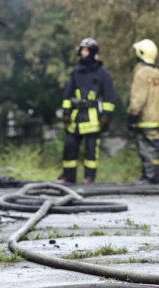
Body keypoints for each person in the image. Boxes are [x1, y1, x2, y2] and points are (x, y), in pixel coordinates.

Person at [57, 38, 116, 184]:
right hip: (76, 116)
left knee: (91, 151)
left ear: (92, 52)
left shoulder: (102, 73)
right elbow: (68, 94)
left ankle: (89, 178)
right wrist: (66, 112)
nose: (82, 53)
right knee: (70, 147)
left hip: (93, 117)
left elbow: (109, 96)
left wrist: (106, 116)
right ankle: (67, 177)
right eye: (81, 50)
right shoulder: (76, 72)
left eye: (85, 50)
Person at [127, 39, 159, 185]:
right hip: (157, 116)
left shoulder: (141, 73)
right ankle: (153, 177)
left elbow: (138, 99)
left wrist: (132, 116)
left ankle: (149, 178)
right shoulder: (157, 73)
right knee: (154, 147)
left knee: (145, 148)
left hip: (145, 117)